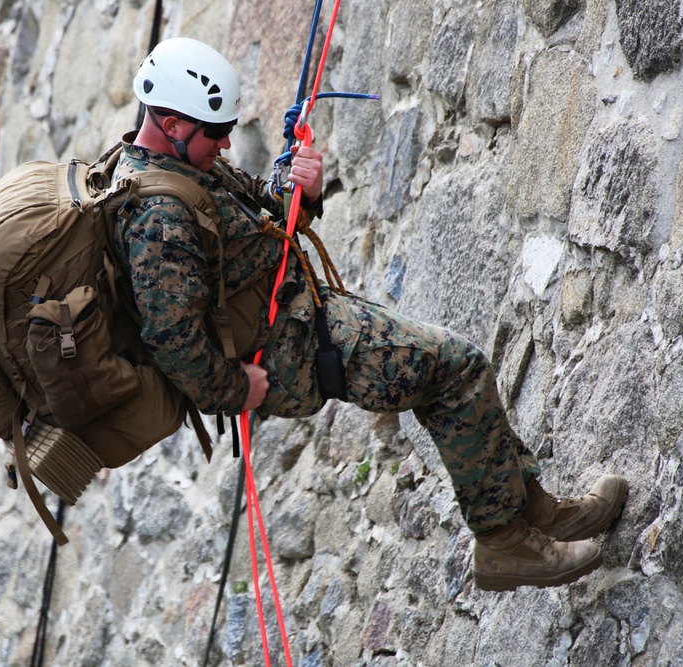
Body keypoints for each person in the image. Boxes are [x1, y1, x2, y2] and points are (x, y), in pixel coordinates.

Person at [110, 37, 627, 591]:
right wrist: (237, 389)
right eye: (216, 133)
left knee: (448, 368)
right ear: (169, 122)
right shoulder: (155, 216)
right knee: (456, 370)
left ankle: (534, 511)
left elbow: (255, 215)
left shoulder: (180, 166)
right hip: (293, 354)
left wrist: (299, 193)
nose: (228, 142)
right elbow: (171, 337)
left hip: (305, 319)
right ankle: (504, 542)